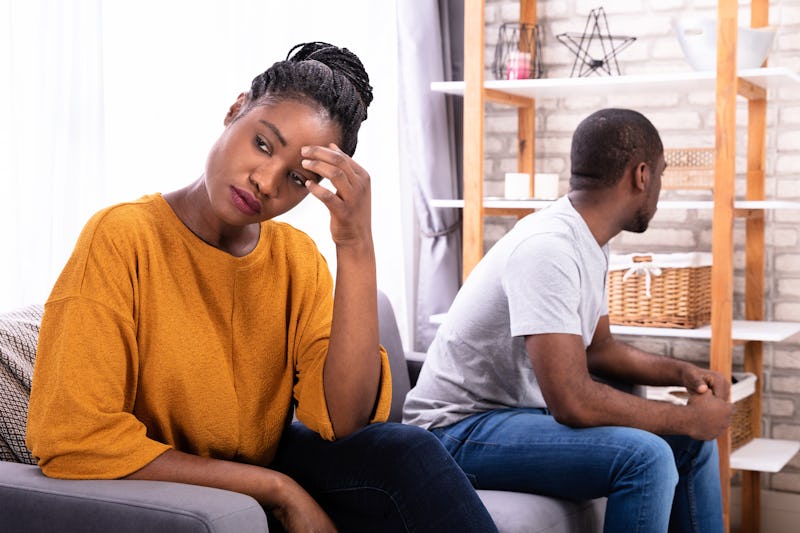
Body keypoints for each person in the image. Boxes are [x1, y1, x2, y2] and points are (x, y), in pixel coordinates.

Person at [26, 41, 497, 533]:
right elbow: (72, 436)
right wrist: (275, 488)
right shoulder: (123, 237)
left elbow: (345, 419)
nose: (267, 182)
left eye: (297, 178)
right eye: (263, 144)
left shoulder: (295, 257)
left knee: (409, 452)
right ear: (235, 110)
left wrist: (356, 243)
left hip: (266, 459)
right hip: (166, 482)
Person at [403, 108, 733, 533]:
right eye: (662, 176)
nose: (659, 189)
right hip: (455, 430)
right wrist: (686, 417)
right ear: (642, 175)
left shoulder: (588, 239)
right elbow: (572, 401)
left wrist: (683, 372)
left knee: (691, 445)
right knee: (646, 456)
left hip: (511, 417)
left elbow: (599, 350)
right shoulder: (549, 247)